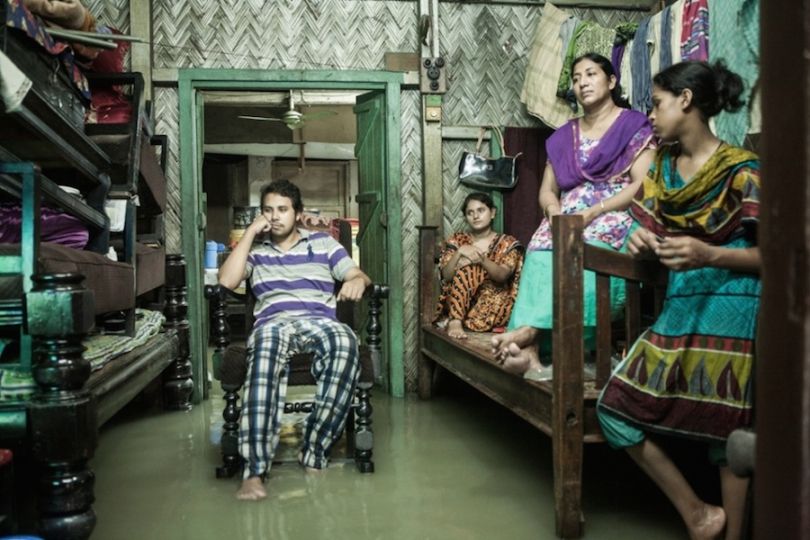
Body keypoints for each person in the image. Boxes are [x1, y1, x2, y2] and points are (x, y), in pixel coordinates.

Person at [597, 61, 760, 540]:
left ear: (685, 101)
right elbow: (642, 232)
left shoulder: (742, 170)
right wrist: (639, 243)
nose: (651, 115)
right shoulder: (663, 169)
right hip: (682, 301)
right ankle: (697, 514)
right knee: (614, 408)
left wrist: (710, 252)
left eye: (658, 103)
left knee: (726, 424)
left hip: (736, 299)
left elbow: (775, 256)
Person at [492, 52, 656, 376]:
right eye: (577, 78)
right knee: (540, 252)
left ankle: (531, 336)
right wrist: (553, 212)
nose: (582, 82)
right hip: (567, 213)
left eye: (591, 74)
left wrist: (595, 211)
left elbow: (642, 185)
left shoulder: (634, 125)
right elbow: (546, 190)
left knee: (587, 255)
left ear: (611, 81)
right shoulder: (563, 136)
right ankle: (534, 354)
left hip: (615, 210)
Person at [218, 179, 371, 501]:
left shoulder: (324, 245)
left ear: (297, 212)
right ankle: (255, 470)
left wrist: (357, 280)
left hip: (320, 322)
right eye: (268, 210)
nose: (275, 217)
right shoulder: (255, 253)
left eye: (283, 210)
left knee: (345, 344)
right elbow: (228, 280)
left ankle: (314, 450)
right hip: (274, 323)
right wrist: (249, 233)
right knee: (263, 358)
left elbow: (356, 274)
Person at [435, 192, 523, 339]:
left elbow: (501, 275)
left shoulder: (507, 243)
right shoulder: (457, 240)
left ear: (493, 212)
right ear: (466, 217)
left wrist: (479, 259)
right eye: (470, 212)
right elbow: (447, 276)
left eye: (481, 210)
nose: (475, 216)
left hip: (494, 305)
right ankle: (455, 321)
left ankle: (456, 321)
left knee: (472, 268)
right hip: (460, 304)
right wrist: (460, 252)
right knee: (467, 270)